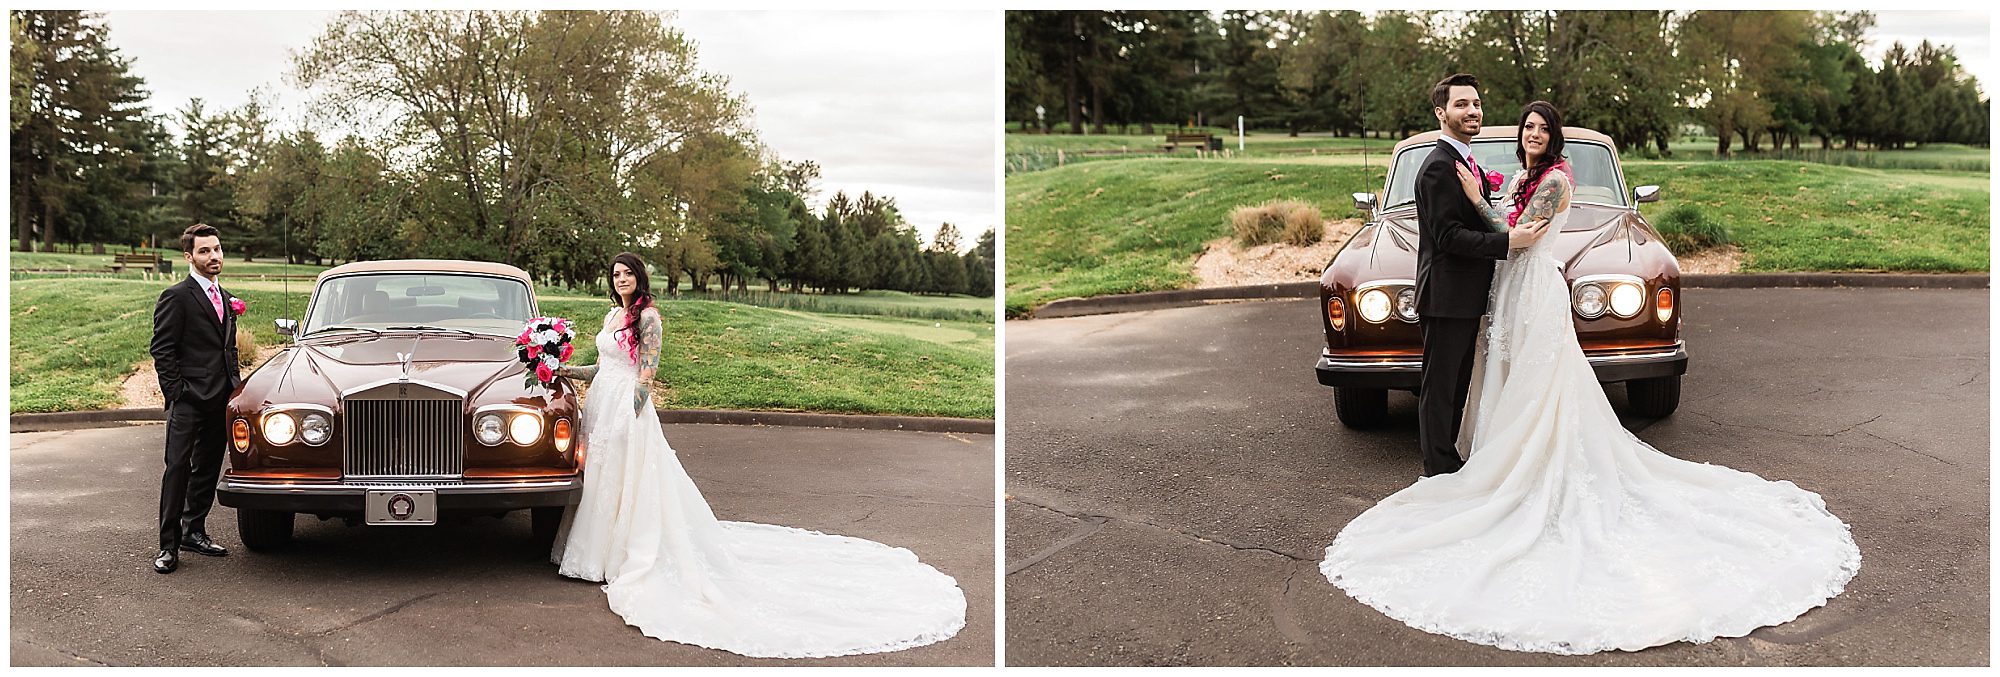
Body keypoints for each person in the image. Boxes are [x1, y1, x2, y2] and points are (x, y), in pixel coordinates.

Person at [1319, 100, 1861, 654]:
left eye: (1540, 128)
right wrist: (1487, 196)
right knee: (1510, 373)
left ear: (1554, 138)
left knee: (1540, 377)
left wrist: (1482, 200)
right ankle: (1499, 453)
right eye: (1526, 127)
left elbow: (1522, 232)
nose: (1531, 134)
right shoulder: (1513, 172)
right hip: (1505, 290)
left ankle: (1527, 463)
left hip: (1534, 283)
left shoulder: (1554, 180)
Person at [550, 252, 965, 658]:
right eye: (616, 273)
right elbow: (602, 368)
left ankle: (626, 555)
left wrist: (633, 413)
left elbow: (648, 370)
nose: (621, 279)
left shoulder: (649, 318)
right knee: (603, 478)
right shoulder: (611, 317)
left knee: (629, 477)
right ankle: (599, 554)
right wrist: (564, 370)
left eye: (628, 273)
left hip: (627, 409)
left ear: (640, 278)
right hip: (602, 403)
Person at [1411, 73, 1551, 477]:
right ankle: (1437, 469)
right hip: (1446, 295)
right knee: (1440, 387)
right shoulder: (1439, 168)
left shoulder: (1465, 162)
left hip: (1466, 294)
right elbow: (1448, 237)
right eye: (1461, 104)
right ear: (1441, 113)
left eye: (1475, 103)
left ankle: (1449, 461)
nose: (1472, 111)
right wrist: (1509, 243)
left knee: (1457, 384)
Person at [148, 223, 241, 574]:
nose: (213, 256)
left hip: (220, 398)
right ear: (189, 256)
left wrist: (235, 387)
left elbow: (226, 347)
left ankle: (194, 531)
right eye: (204, 251)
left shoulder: (226, 296)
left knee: (207, 469)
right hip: (188, 400)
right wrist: (177, 393)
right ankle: (168, 546)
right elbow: (162, 349)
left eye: (217, 249)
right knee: (177, 469)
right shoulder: (177, 296)